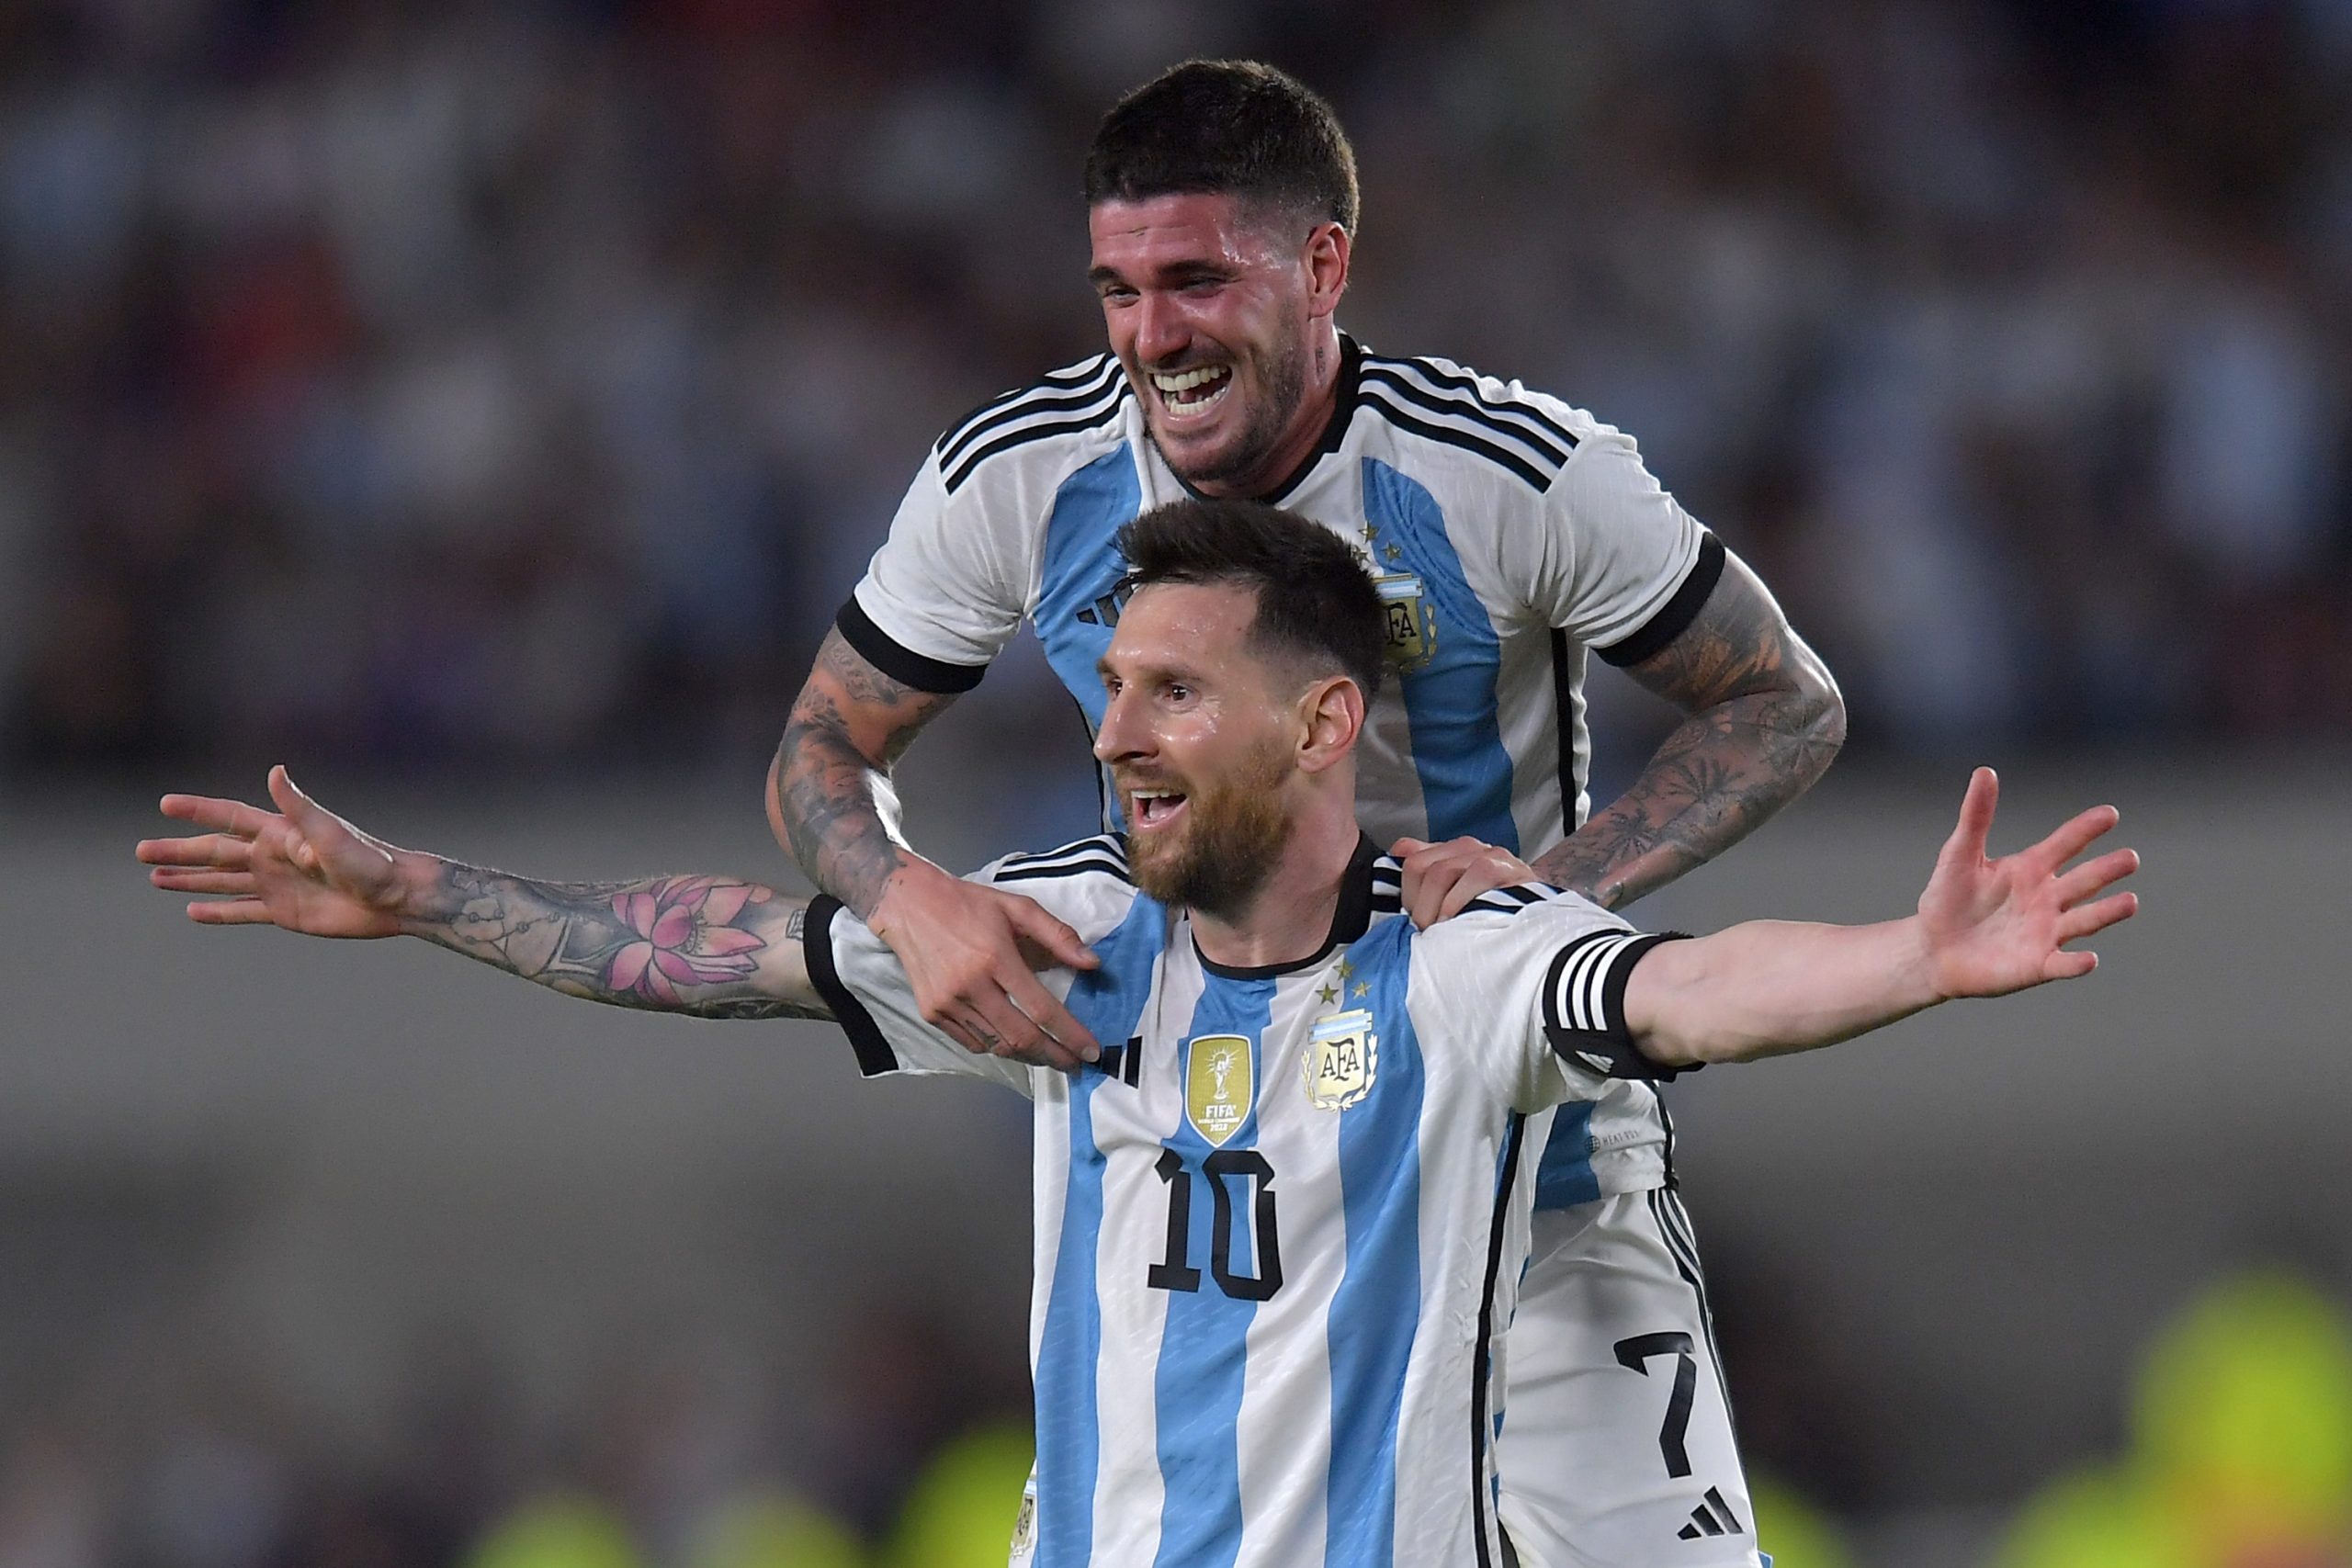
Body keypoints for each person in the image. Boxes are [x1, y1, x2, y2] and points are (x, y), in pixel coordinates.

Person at [143, 500, 2136, 1568]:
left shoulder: (1448, 963)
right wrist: (416, 898)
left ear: (1320, 723)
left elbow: (1681, 989)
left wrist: (1910, 954)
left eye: (1172, 688)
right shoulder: (1065, 945)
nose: (1110, 729)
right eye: (1109, 684)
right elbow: (725, 944)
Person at [767, 58, 1847, 1565]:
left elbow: (1784, 699)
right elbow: (822, 744)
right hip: (1223, 1201)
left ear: (1324, 264)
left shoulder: (1511, 476)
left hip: (1540, 1188)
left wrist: (1548, 893)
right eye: (1118, 289)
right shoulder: (1021, 478)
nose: (1155, 335)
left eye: (1198, 279)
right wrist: (899, 892)